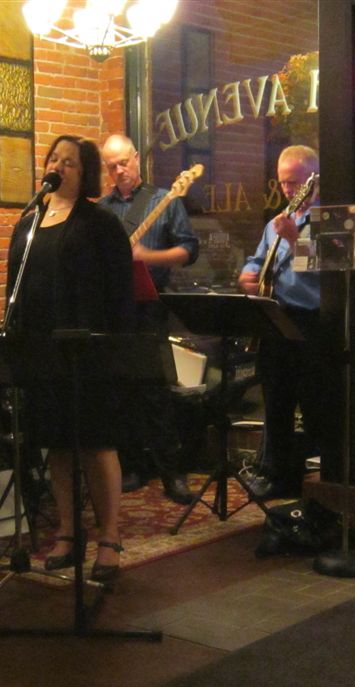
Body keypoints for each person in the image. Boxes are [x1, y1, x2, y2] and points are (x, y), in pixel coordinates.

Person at [5, 135, 135, 583]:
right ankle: (67, 531)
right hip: (41, 351)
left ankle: (109, 537)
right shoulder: (29, 222)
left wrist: (114, 347)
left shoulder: (100, 223)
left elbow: (121, 291)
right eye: (54, 159)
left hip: (88, 350)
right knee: (56, 443)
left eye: (70, 162)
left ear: (86, 173)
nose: (58, 167)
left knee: (96, 442)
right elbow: (16, 286)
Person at [99, 133, 199, 504]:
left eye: (123, 162)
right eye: (111, 166)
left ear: (137, 158)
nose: (118, 171)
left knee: (156, 392)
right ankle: (132, 466)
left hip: (150, 308)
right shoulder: (101, 210)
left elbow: (189, 250)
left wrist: (147, 257)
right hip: (113, 310)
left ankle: (173, 472)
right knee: (120, 392)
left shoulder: (164, 200)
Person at [238, 144, 328, 499]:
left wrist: (294, 239)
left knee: (314, 403)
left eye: (295, 182)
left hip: (313, 322)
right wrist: (247, 273)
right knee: (276, 401)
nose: (288, 190)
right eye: (283, 183)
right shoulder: (275, 222)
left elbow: (332, 270)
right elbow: (258, 258)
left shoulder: (330, 219)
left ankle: (319, 481)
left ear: (313, 179)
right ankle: (277, 475)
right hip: (277, 318)